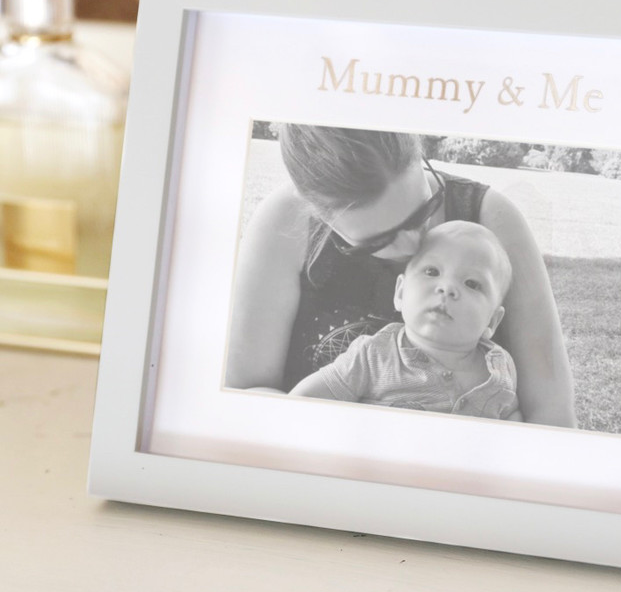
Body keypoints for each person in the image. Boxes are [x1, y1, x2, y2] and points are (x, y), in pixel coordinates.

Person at [225, 124, 575, 427]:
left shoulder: (490, 220)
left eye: (424, 210)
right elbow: (243, 398)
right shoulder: (284, 222)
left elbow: (553, 416)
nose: (414, 245)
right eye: (379, 241)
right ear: (319, 213)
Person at [289, 221, 522, 420]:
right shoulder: (373, 355)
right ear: (400, 293)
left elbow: (514, 422)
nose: (447, 288)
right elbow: (301, 402)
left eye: (472, 284)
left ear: (492, 321)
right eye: (432, 272)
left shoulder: (499, 368)